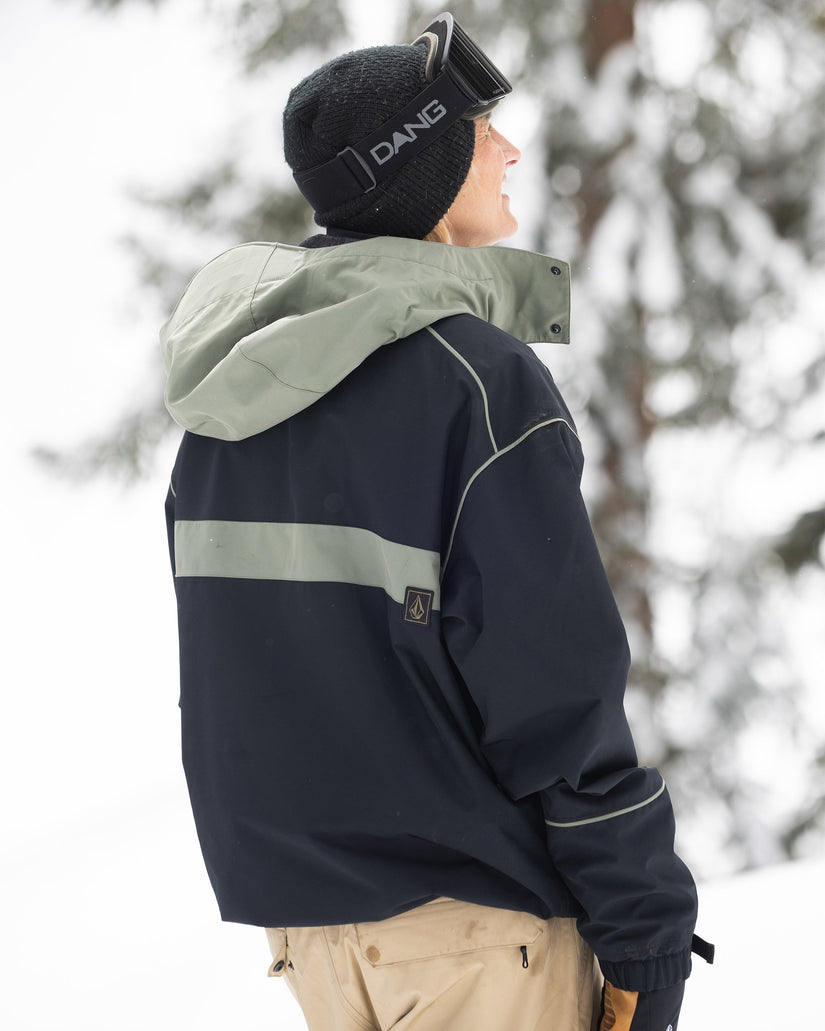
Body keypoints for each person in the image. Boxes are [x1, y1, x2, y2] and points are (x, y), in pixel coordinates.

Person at [162, 12, 712, 1031]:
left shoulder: (226, 409)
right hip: (477, 932)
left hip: (315, 941)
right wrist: (647, 928)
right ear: (418, 169)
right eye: (481, 132)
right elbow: (554, 690)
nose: (510, 151)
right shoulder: (476, 379)